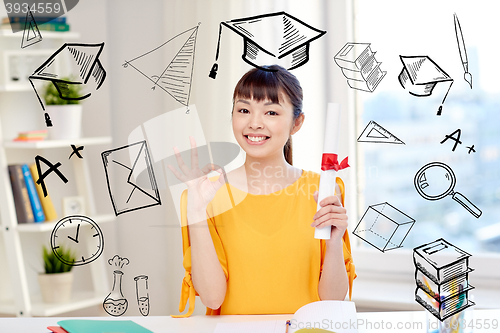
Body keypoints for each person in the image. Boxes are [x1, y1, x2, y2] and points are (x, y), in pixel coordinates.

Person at [169, 65, 356, 317]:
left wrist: (334, 243)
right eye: (244, 110)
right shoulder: (208, 195)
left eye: (271, 112)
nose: (254, 123)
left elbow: (332, 299)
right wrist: (196, 211)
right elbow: (213, 299)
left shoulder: (322, 191)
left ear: (296, 123)